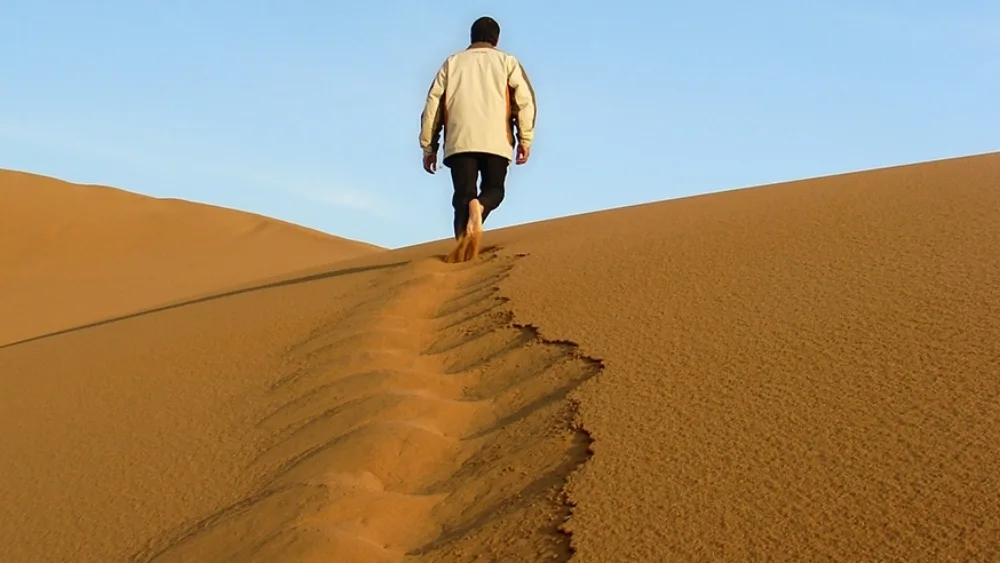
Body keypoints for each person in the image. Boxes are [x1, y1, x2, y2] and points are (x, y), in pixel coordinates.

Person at [419, 16, 537, 245]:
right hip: (497, 140)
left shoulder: (452, 62)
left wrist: (429, 147)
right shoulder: (507, 61)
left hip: (459, 141)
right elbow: (525, 102)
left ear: (471, 37)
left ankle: (462, 249)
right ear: (497, 39)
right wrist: (525, 139)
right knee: (494, 190)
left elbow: (433, 104)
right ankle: (481, 206)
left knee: (463, 198)